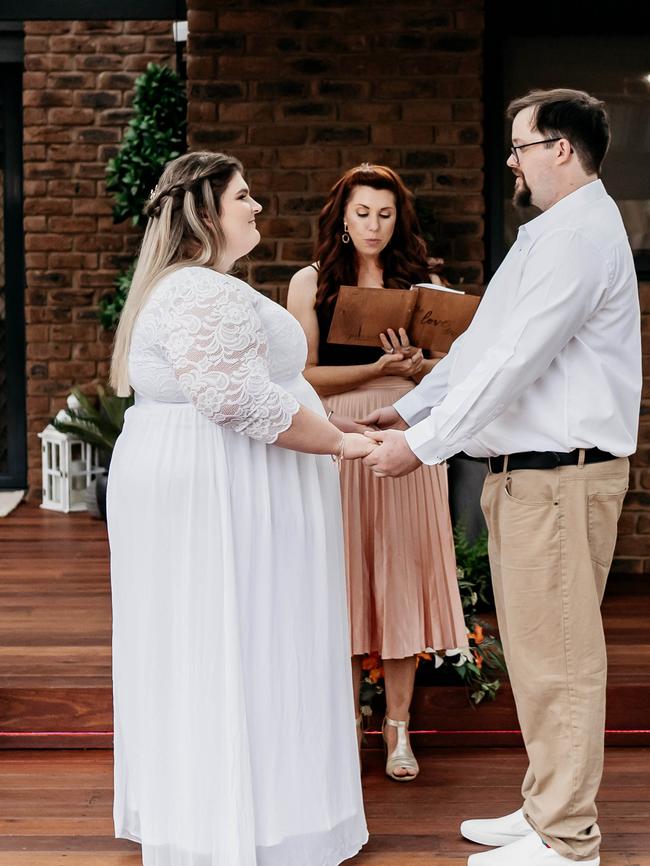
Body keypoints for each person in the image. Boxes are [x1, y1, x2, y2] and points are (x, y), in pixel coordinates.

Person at [362, 90, 641, 866]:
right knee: (537, 656)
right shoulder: (550, 234)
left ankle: (567, 838)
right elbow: (487, 344)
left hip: (558, 478)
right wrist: (411, 412)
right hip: (529, 479)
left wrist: (425, 449)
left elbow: (517, 366)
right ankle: (545, 806)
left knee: (560, 662)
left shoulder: (582, 238)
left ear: (560, 148)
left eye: (519, 146)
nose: (511, 161)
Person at [106, 151, 372, 866]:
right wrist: (338, 445)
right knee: (237, 633)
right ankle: (238, 822)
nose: (258, 206)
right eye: (244, 196)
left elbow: (252, 386)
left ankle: (251, 807)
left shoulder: (200, 287)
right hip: (221, 489)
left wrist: (340, 429)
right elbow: (237, 400)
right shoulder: (197, 291)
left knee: (245, 635)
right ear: (204, 212)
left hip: (225, 477)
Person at [287, 164, 467, 783]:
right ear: (342, 215)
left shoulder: (427, 282)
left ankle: (397, 727)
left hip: (407, 436)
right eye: (362, 213)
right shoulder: (309, 283)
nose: (373, 225)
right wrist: (372, 371)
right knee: (338, 573)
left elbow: (454, 366)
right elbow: (302, 375)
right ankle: (336, 726)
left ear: (400, 219)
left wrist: (419, 368)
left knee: (400, 572)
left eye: (385, 214)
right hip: (339, 436)